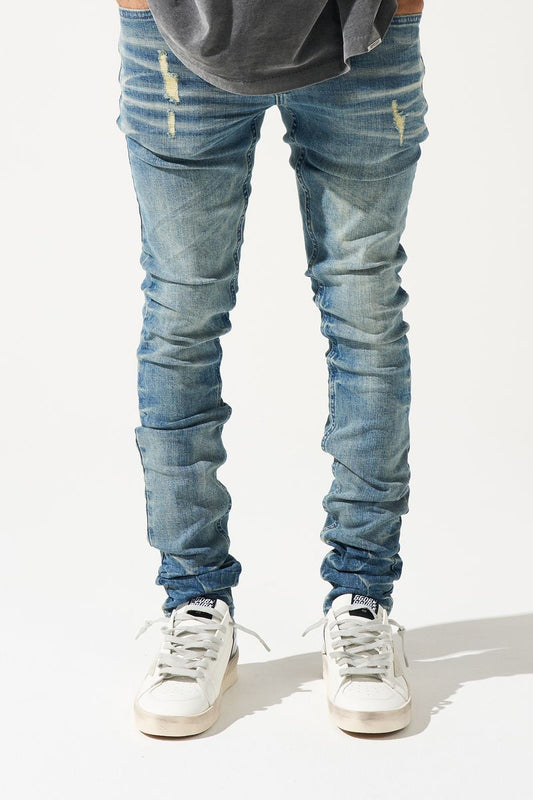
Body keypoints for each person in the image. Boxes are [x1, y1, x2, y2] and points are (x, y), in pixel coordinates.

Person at [115, 0, 428, 737]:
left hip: (364, 34)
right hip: (175, 33)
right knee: (181, 318)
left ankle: (362, 601)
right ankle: (193, 602)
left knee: (365, 317)